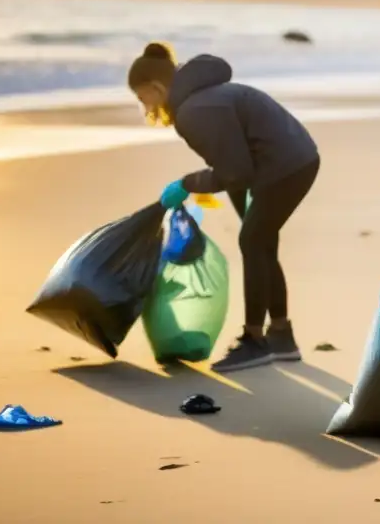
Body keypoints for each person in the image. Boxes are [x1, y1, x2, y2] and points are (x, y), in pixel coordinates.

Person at [127, 43, 320, 373]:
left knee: (254, 243)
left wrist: (188, 183)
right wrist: (244, 212)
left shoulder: (194, 111)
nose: (143, 104)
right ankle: (281, 337)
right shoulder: (202, 98)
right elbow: (233, 164)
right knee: (260, 242)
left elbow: (235, 172)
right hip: (294, 159)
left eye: (141, 96)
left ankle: (256, 341)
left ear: (156, 88)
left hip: (284, 166)